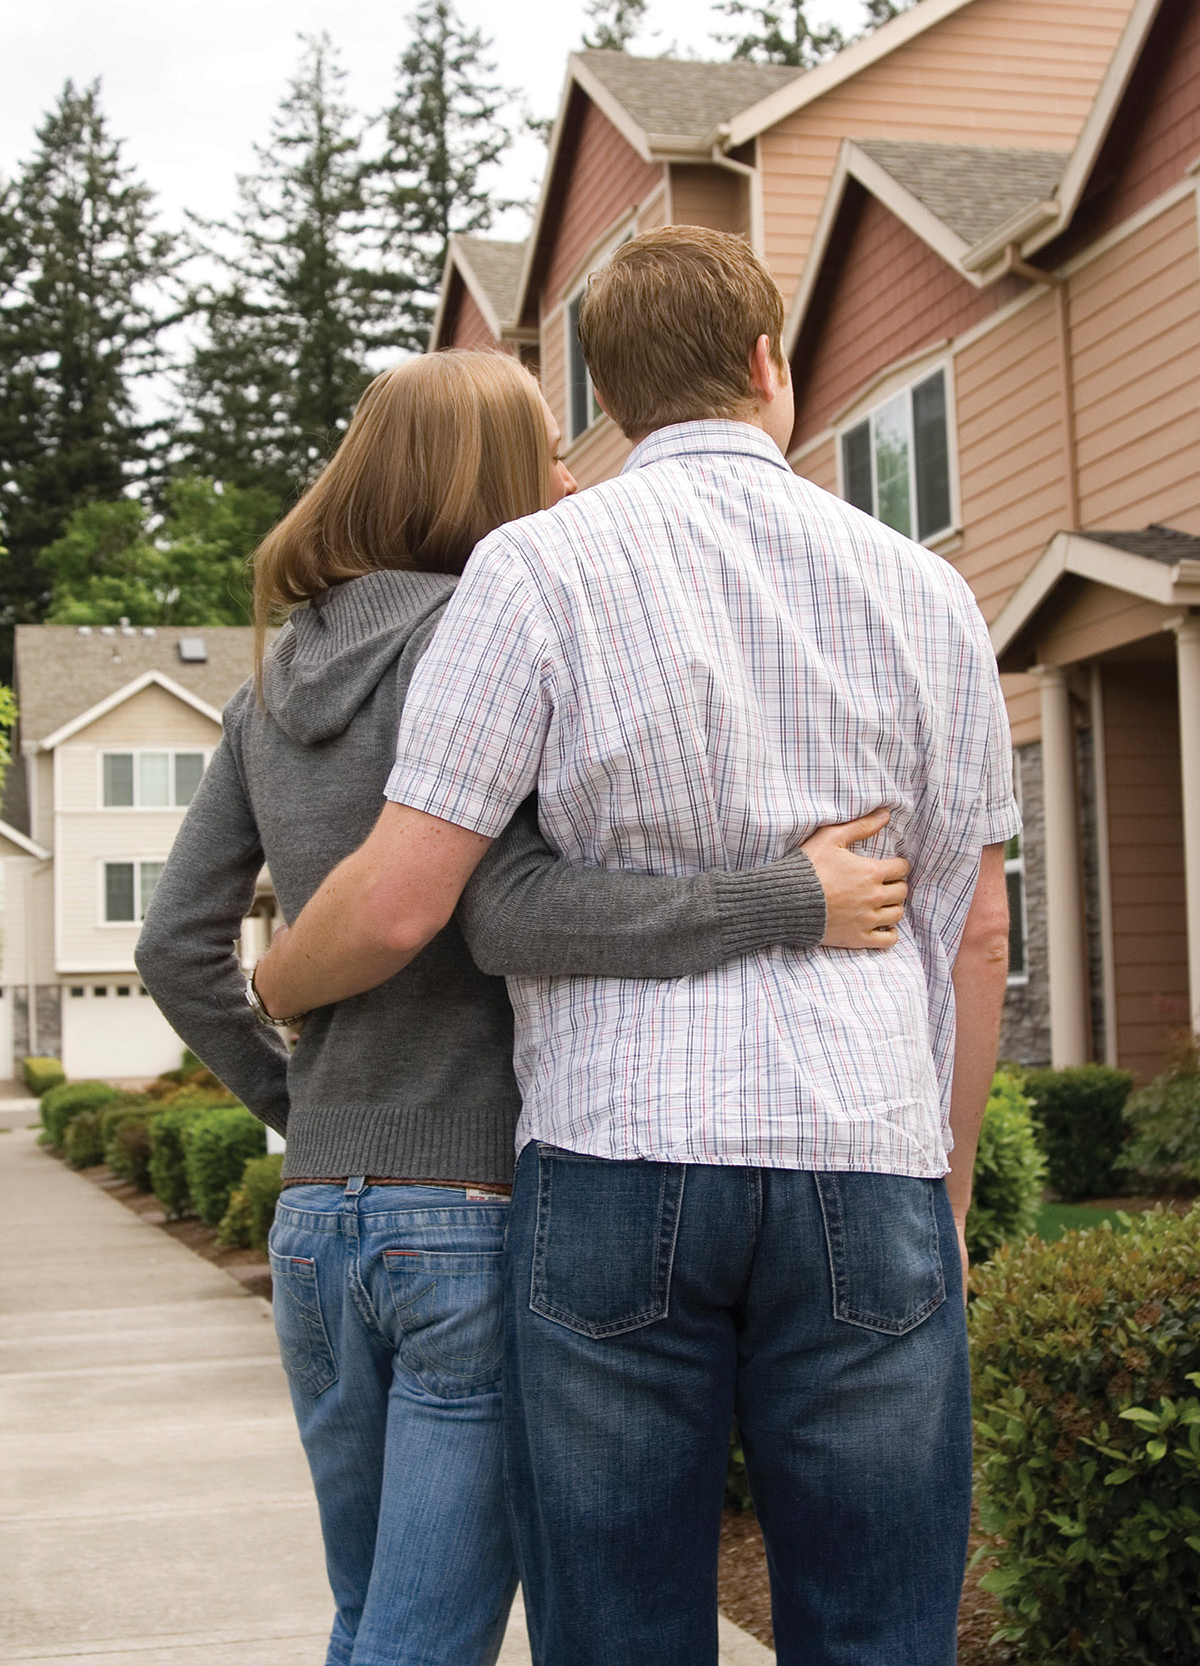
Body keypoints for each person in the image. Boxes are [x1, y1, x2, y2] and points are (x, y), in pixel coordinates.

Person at [252, 229, 1017, 1666]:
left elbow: (418, 894)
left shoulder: (532, 572)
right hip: (868, 1152)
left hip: (614, 1154)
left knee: (615, 1632)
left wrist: (277, 977)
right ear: (769, 366)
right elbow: (972, 929)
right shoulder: (929, 591)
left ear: (605, 397)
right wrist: (949, 1190)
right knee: (877, 1627)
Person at [135, 345, 910, 1666]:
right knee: (427, 1639)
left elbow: (170, 950)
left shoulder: (266, 690)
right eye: (545, 454)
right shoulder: (483, 635)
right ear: (481, 482)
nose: (569, 477)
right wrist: (786, 897)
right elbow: (528, 906)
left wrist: (303, 1103)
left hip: (321, 1227)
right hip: (473, 1223)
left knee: (369, 1621)